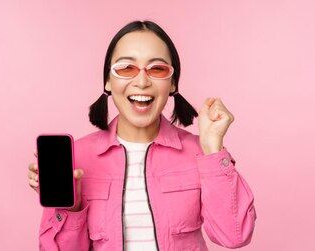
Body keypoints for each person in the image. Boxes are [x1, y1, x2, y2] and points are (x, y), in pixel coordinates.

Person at [26, 20, 256, 251]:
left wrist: (213, 149)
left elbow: (233, 236)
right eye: (126, 68)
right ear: (108, 80)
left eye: (157, 69)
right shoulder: (77, 157)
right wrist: (71, 207)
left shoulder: (202, 154)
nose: (142, 82)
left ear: (172, 83)